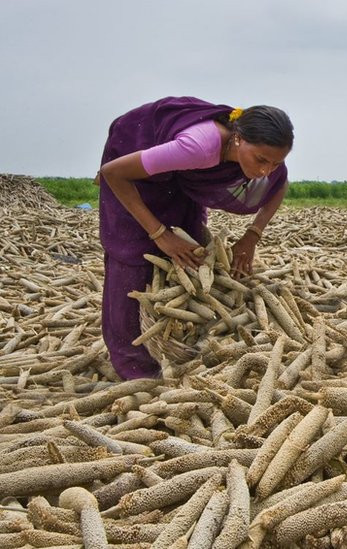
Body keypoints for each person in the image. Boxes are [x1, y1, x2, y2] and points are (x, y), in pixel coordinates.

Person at [96, 96, 294, 379]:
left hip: (177, 175)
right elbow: (112, 173)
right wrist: (159, 233)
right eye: (261, 160)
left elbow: (279, 185)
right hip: (131, 165)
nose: (265, 170)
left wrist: (252, 235)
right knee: (133, 256)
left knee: (191, 251)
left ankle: (182, 350)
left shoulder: (265, 164)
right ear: (237, 139)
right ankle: (134, 366)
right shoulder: (198, 147)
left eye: (275, 163)